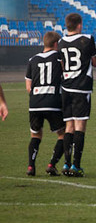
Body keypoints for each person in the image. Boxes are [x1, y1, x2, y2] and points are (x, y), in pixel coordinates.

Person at [58, 13, 96, 176]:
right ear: (80, 25)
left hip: (66, 87)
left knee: (69, 127)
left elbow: (62, 65)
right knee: (80, 126)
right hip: (81, 87)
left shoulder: (61, 42)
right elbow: (95, 62)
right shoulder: (87, 39)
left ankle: (66, 164)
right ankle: (76, 165)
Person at [24, 31, 66, 176]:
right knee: (63, 134)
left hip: (35, 103)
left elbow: (28, 87)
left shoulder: (32, 60)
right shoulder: (59, 57)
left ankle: (31, 166)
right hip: (53, 102)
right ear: (55, 44)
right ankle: (52, 164)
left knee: (35, 135)